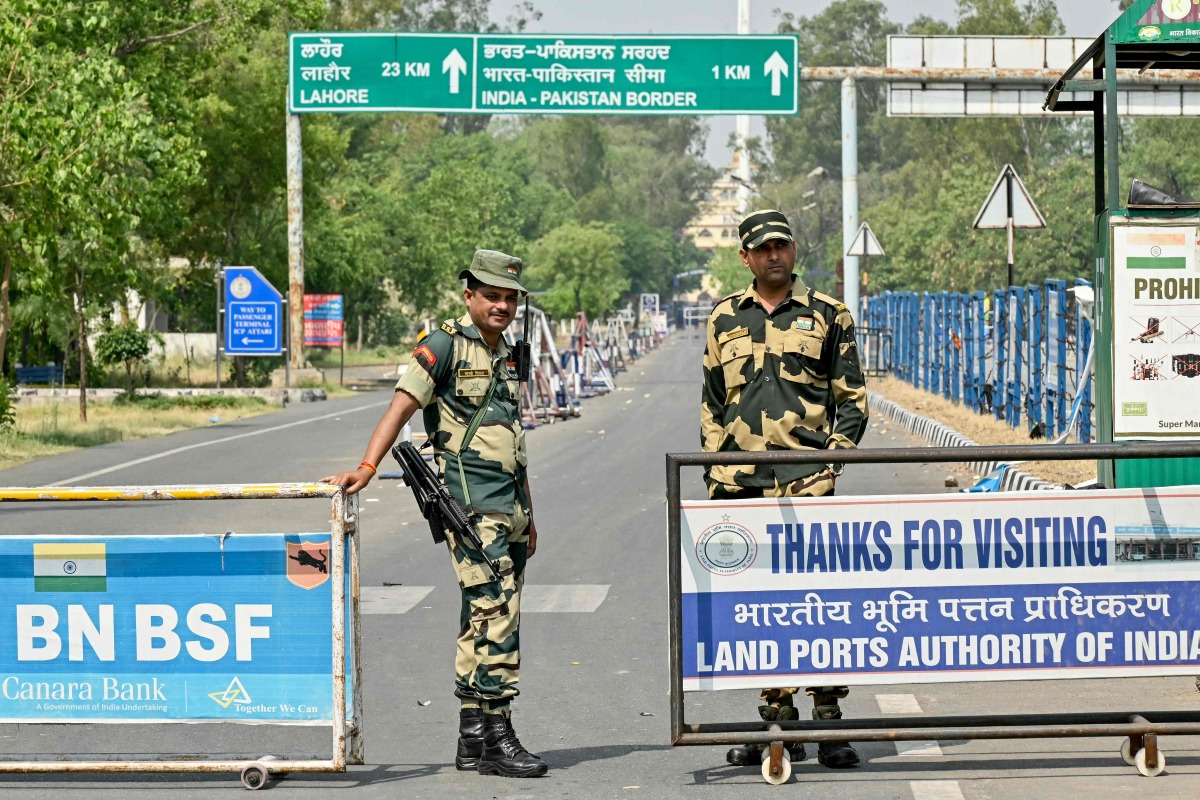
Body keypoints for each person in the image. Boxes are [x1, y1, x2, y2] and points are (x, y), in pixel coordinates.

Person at [322, 250, 547, 779]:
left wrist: (530, 513)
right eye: (492, 295)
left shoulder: (508, 352)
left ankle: (472, 738)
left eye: (510, 297)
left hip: (509, 508)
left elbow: (513, 439)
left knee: (481, 617)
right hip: (471, 508)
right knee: (499, 617)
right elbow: (400, 406)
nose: (502, 305)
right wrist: (367, 466)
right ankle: (497, 735)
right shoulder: (442, 344)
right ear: (469, 294)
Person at [701, 209, 869, 770]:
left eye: (782, 245)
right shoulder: (724, 318)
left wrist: (832, 465)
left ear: (793, 251)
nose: (774, 254)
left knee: (815, 604)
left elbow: (852, 401)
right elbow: (711, 402)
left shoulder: (829, 315)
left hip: (806, 485)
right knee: (756, 609)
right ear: (745, 257)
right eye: (762, 247)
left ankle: (828, 723)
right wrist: (715, 468)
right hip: (740, 489)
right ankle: (777, 722)